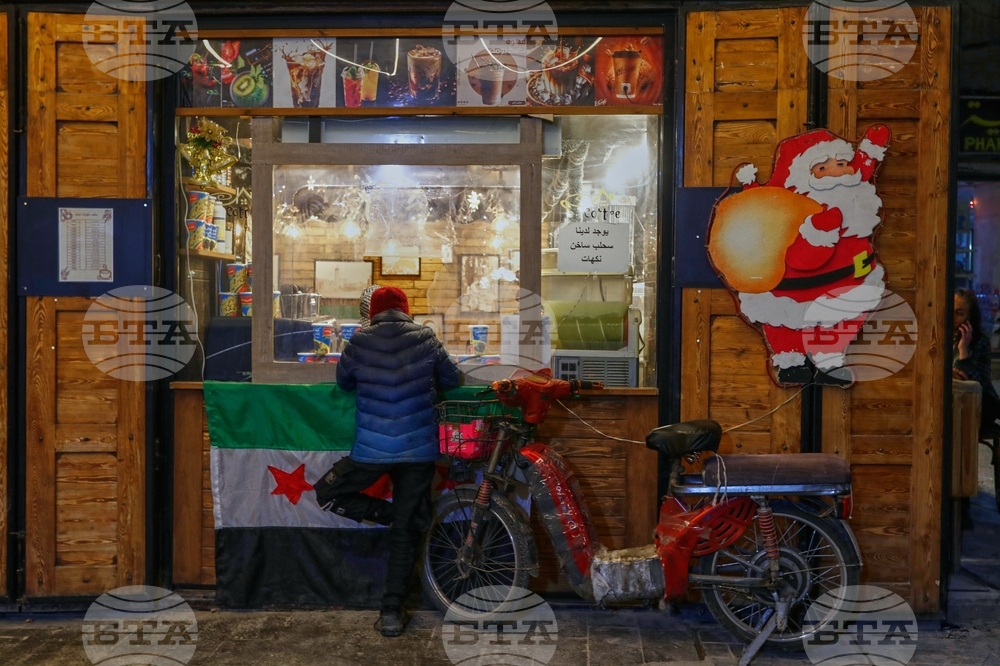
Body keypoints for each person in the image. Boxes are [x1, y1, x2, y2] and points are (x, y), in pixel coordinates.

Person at [314, 286, 461, 637]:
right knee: (405, 530)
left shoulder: (360, 341)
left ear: (373, 312)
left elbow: (343, 382)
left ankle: (399, 519)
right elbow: (453, 379)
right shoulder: (426, 337)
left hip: (371, 451)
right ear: (405, 310)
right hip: (417, 450)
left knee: (328, 493)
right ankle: (392, 611)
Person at [729, 125, 891, 386]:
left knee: (841, 318)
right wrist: (751, 188)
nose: (835, 173)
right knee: (785, 320)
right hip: (792, 286)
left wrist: (872, 145)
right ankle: (791, 361)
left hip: (846, 280)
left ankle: (829, 360)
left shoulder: (856, 191)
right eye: (822, 168)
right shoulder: (789, 204)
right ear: (803, 175)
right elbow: (761, 206)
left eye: (841, 163)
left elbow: (865, 163)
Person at [953, 288, 1000, 430]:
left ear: (970, 317)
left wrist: (963, 350)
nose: (953, 317)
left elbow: (978, 382)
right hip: (951, 401)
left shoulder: (981, 341)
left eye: (959, 313)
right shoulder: (940, 337)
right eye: (951, 310)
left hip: (980, 403)